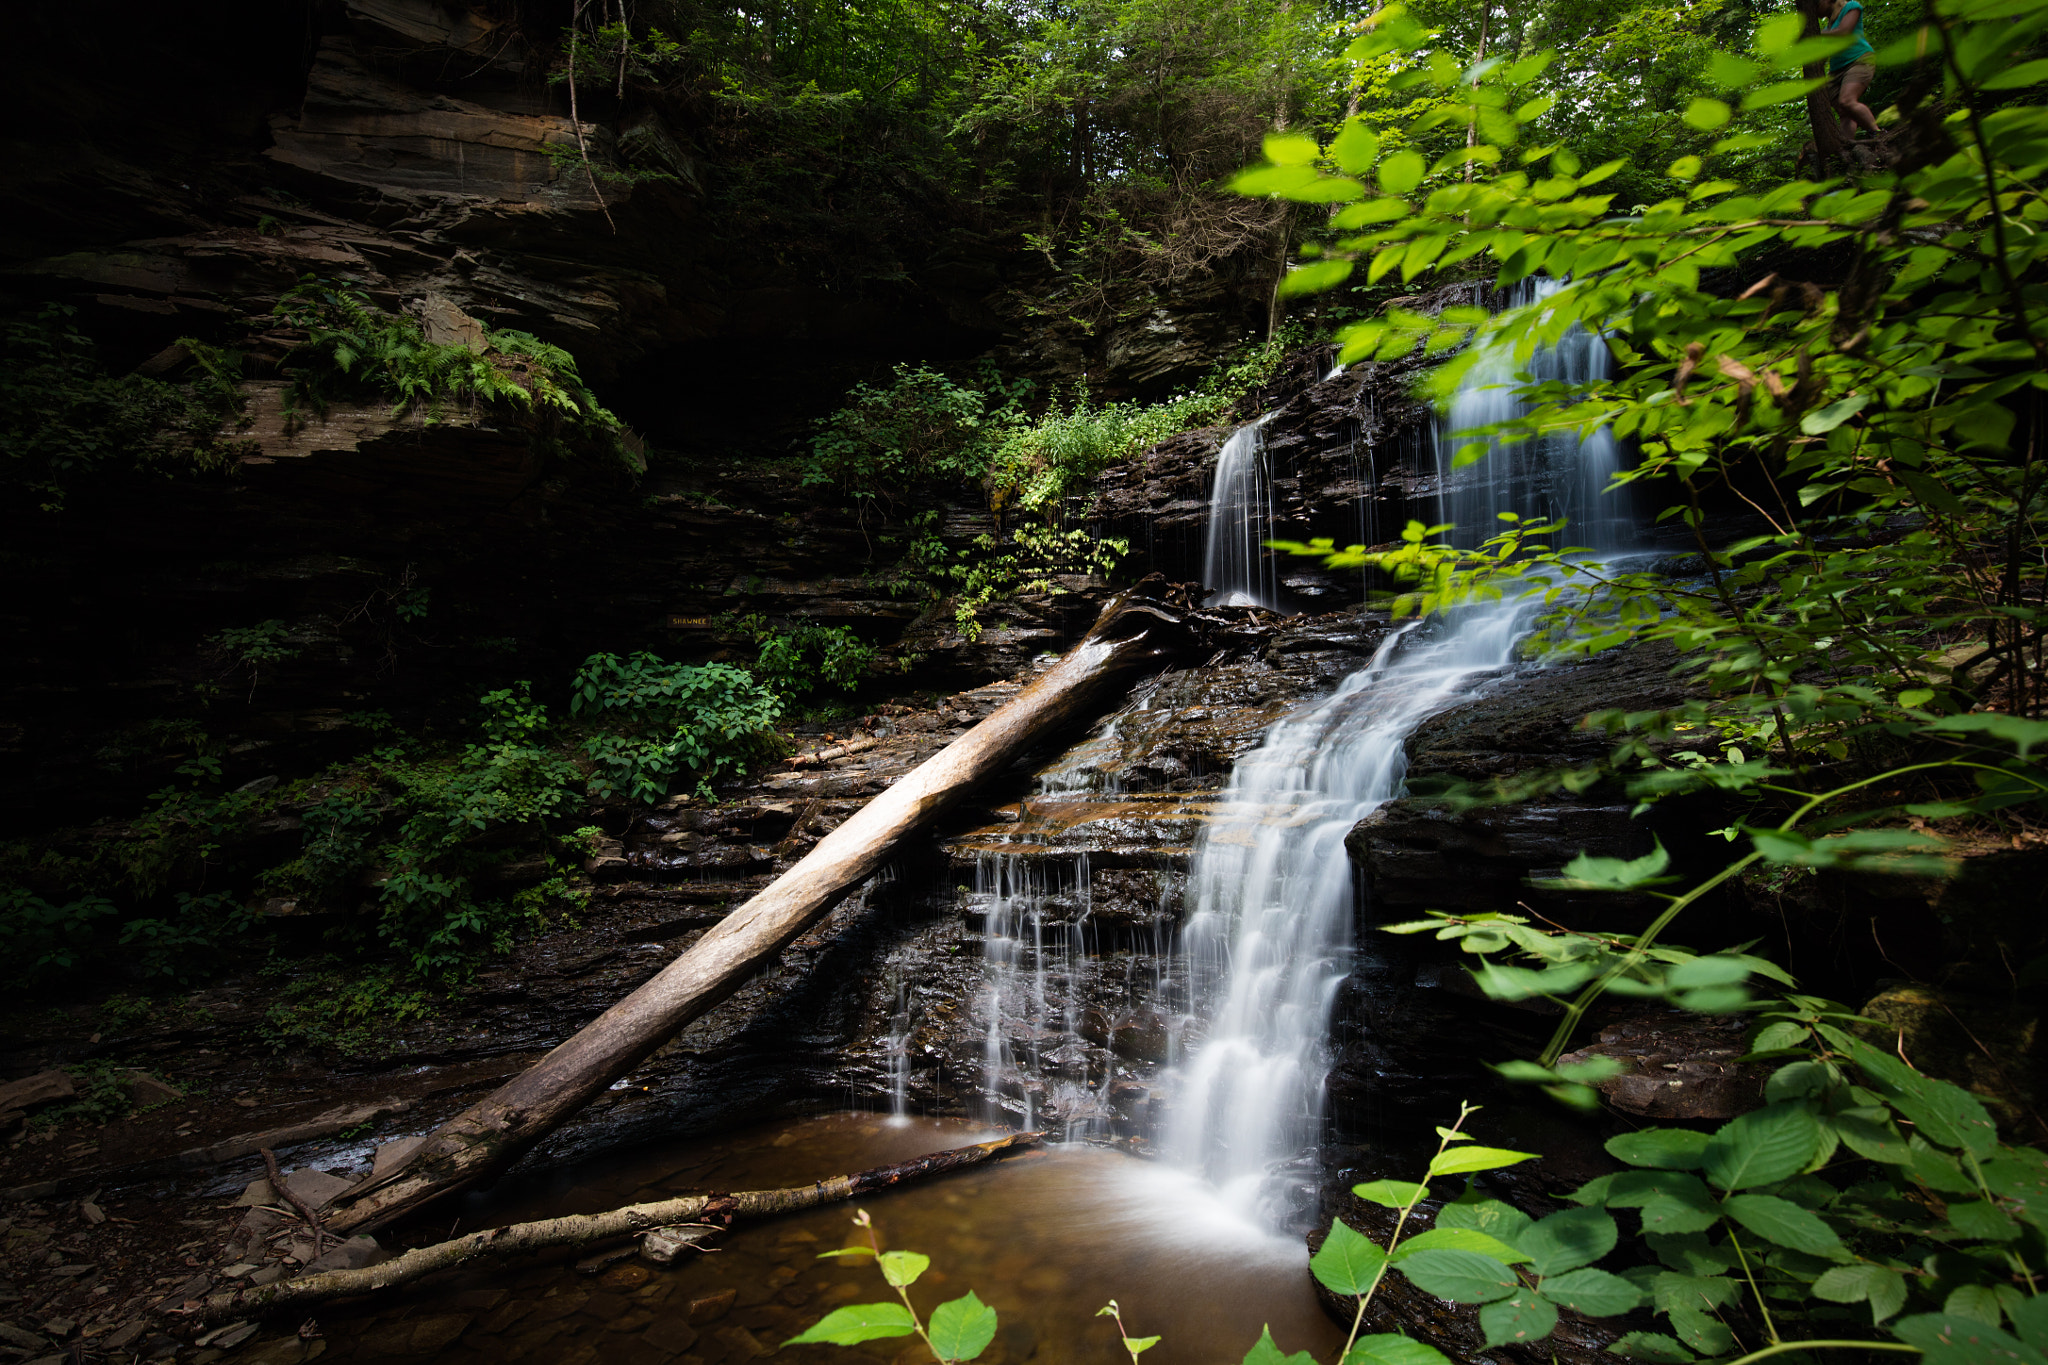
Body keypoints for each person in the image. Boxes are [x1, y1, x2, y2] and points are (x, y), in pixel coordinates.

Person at [1823, 0, 1880, 137]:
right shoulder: (1827, 27)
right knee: (1844, 112)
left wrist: (1819, 35)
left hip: (1859, 60)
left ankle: (1878, 134)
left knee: (1847, 101)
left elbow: (1845, 31)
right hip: (1836, 70)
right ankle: (1848, 146)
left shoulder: (1851, 6)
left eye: (1816, 4)